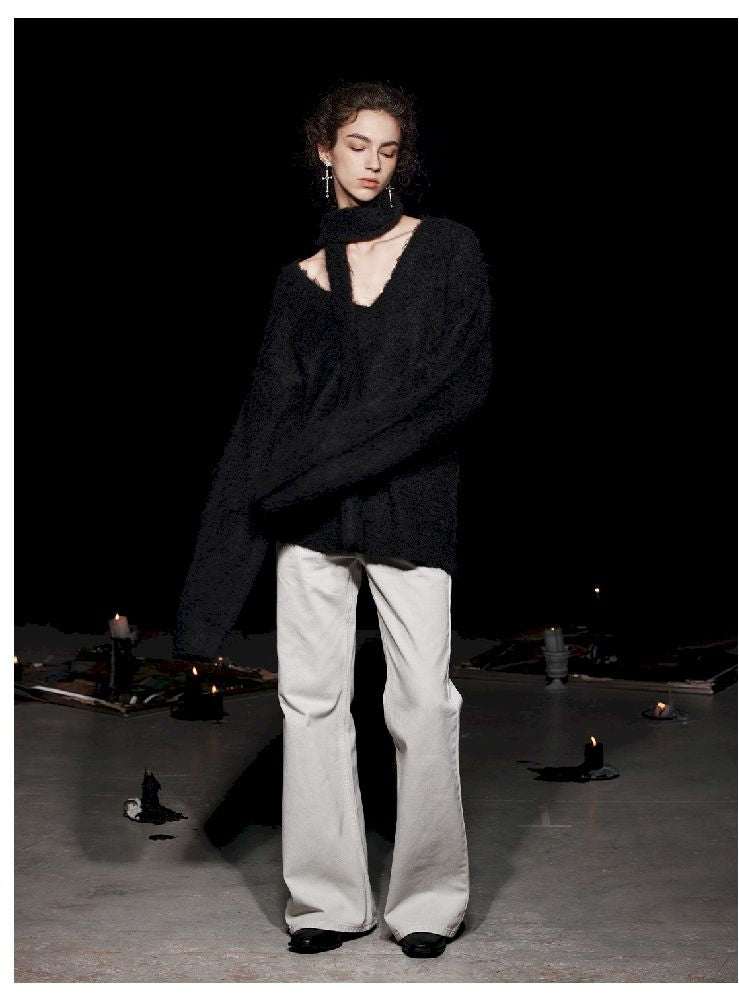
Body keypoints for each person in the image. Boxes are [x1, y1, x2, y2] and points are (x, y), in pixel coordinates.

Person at [173, 80, 494, 959]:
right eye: (357, 145)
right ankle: (326, 902)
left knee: (423, 702)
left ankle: (427, 903)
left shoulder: (445, 250)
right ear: (324, 150)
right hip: (311, 524)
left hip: (410, 509)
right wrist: (208, 591)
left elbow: (457, 387)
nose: (372, 163)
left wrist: (321, 459)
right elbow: (264, 427)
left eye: (388, 149)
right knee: (310, 704)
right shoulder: (300, 283)